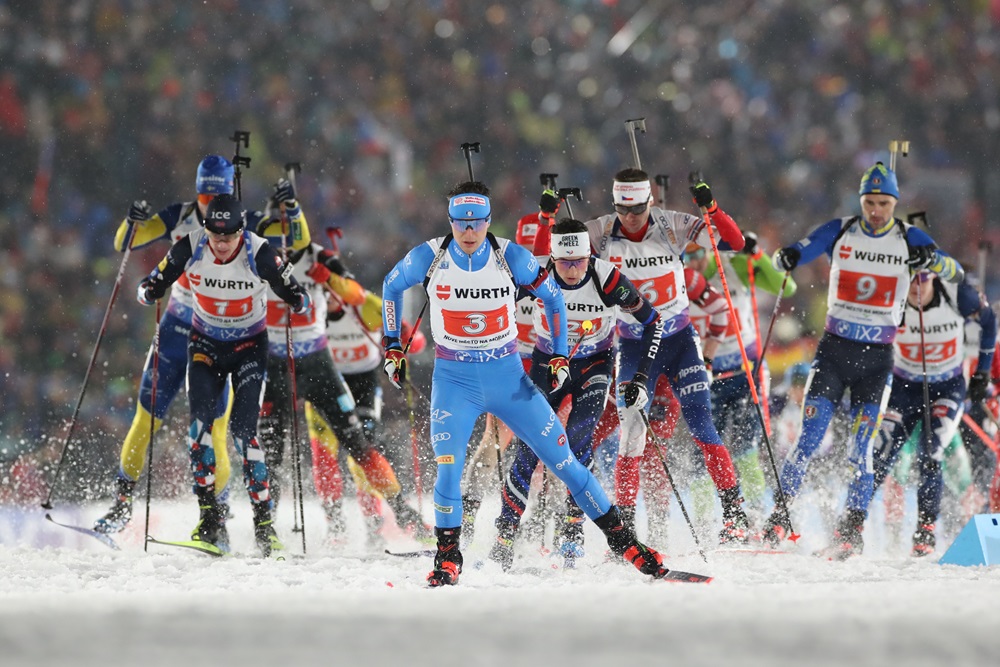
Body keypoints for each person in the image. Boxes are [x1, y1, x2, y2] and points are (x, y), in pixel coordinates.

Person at [381, 180, 669, 586]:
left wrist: (556, 355)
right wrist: (392, 345)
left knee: (565, 461)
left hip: (509, 379)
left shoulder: (509, 256)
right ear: (450, 221)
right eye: (460, 223)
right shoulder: (430, 256)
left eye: (476, 223)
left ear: (487, 221)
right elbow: (391, 286)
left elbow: (552, 298)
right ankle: (448, 557)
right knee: (448, 468)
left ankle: (626, 543)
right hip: (454, 380)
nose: (468, 232)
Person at [762, 162, 964, 549]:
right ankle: (778, 518)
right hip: (835, 353)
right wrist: (783, 258)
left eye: (884, 203)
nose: (876, 211)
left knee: (862, 450)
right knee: (809, 439)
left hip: (877, 362)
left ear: (894, 203)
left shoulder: (911, 237)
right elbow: (795, 253)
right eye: (870, 202)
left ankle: (850, 531)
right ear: (861, 201)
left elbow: (954, 272)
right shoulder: (840, 230)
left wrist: (933, 262)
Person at [574, 168, 752, 542]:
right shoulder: (602, 231)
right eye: (623, 209)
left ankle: (736, 515)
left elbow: (732, 242)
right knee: (631, 436)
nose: (631, 217)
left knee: (703, 426)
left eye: (638, 208)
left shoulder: (672, 224)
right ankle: (623, 528)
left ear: (649, 202)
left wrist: (713, 208)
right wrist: (549, 219)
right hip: (635, 345)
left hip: (679, 342)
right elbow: (549, 252)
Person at [136, 193, 310, 557]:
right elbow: (151, 282)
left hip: (249, 348)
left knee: (244, 432)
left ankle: (265, 528)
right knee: (198, 431)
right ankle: (210, 521)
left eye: (228, 238)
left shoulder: (261, 254)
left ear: (240, 232)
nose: (220, 244)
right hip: (205, 346)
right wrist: (150, 291)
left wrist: (297, 298)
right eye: (215, 237)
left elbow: (299, 294)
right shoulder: (190, 246)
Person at [254, 187, 430, 541]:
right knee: (274, 452)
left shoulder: (319, 259)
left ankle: (403, 515)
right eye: (278, 245)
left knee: (361, 448)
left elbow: (354, 293)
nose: (286, 253)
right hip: (276, 364)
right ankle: (269, 528)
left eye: (291, 244)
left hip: (324, 367)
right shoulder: (252, 255)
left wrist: (330, 279)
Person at [487, 217, 661, 569]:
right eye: (563, 262)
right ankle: (504, 535)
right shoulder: (533, 273)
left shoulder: (607, 277)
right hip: (547, 362)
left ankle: (573, 531)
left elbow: (652, 322)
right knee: (532, 445)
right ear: (550, 256)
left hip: (593, 365)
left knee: (578, 440)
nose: (571, 269)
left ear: (588, 255)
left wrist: (641, 378)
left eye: (578, 261)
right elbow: (489, 306)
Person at [94, 155, 234, 534]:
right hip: (175, 328)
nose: (209, 204)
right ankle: (121, 505)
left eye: (217, 196)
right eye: (204, 195)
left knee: (213, 430)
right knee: (145, 419)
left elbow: (292, 242)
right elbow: (125, 243)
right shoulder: (179, 215)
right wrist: (132, 220)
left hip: (218, 332)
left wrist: (290, 214)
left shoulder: (241, 221)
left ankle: (216, 517)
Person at [846, 271, 995, 559]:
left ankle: (927, 531)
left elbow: (989, 323)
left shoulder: (958, 297)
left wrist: (983, 373)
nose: (916, 288)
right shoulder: (894, 298)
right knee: (879, 455)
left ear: (934, 279)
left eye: (922, 281)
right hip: (903, 390)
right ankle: (852, 526)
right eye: (911, 280)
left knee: (932, 454)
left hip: (947, 389)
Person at [684, 233, 798, 519]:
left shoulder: (732, 264)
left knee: (746, 446)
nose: (694, 263)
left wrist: (757, 254)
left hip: (747, 369)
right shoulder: (679, 279)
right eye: (687, 257)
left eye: (699, 255)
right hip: (708, 373)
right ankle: (703, 521)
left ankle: (757, 514)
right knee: (705, 450)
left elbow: (788, 286)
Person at [315, 285, 428, 548]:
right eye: (324, 292)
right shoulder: (313, 310)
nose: (330, 297)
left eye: (335, 291)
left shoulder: (365, 306)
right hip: (324, 385)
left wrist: (405, 337)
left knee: (363, 451)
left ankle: (373, 523)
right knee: (324, 456)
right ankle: (335, 525)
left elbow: (417, 342)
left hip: (363, 385)